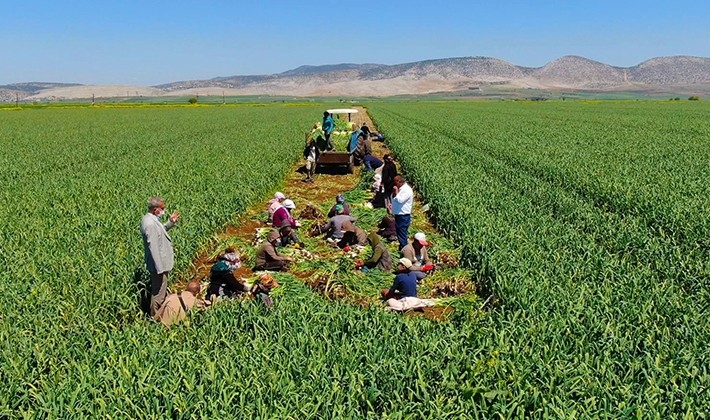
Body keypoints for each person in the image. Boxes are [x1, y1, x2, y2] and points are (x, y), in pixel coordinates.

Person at [140, 196, 180, 316]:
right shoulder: (150, 223)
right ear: (155, 209)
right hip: (158, 265)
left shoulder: (151, 219)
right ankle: (156, 317)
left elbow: (160, 231)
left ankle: (160, 314)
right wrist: (159, 269)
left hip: (159, 264)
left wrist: (170, 223)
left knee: (160, 291)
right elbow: (154, 248)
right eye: (162, 208)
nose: (164, 210)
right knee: (158, 293)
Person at [390, 175, 414, 250]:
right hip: (399, 214)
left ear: (399, 182)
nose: (394, 183)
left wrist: (396, 192)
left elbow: (400, 200)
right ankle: (402, 246)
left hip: (403, 215)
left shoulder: (407, 190)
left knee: (402, 232)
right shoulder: (402, 189)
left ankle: (405, 249)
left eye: (395, 181)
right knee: (400, 232)